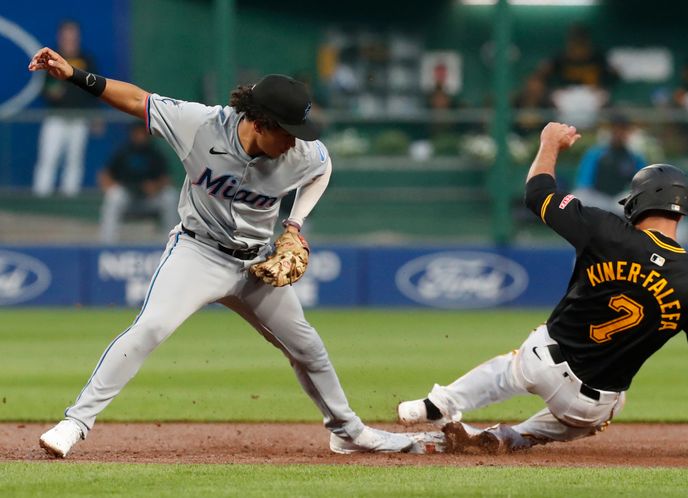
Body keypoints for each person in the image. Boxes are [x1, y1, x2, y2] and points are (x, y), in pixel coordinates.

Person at [29, 46, 413, 457]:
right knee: (152, 327)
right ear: (260, 123)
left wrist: (294, 225)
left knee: (307, 347)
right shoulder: (200, 125)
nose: (294, 142)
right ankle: (75, 423)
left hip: (257, 263)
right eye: (287, 130)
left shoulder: (301, 153)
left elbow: (323, 168)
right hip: (198, 253)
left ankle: (347, 431)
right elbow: (139, 100)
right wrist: (74, 75)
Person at [397, 122, 688, 460]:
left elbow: (537, 195)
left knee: (515, 364)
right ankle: (508, 437)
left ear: (640, 201)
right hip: (593, 407)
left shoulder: (606, 230)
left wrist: (549, 143)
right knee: (598, 412)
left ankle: (437, 405)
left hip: (545, 363)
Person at [32, 20, 97, 197]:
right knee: (48, 158)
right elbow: (44, 87)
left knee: (75, 161)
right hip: (56, 117)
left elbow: (95, 90)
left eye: (72, 34)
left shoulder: (86, 59)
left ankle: (69, 200)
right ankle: (41, 199)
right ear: (60, 36)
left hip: (79, 117)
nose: (69, 38)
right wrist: (51, 92)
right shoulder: (50, 58)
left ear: (78, 36)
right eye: (66, 34)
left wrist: (96, 116)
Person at [98, 123, 179, 243]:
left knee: (170, 196)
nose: (140, 136)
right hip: (128, 197)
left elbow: (166, 179)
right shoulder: (123, 151)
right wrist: (112, 186)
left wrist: (155, 186)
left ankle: (171, 243)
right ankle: (107, 244)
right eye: (137, 132)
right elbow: (105, 174)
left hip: (149, 199)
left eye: (143, 133)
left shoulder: (154, 153)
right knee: (114, 196)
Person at [572, 114, 645, 215]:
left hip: (619, 201)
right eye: (615, 129)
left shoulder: (634, 156)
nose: (618, 133)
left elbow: (642, 185)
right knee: (578, 198)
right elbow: (584, 184)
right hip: (598, 199)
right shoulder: (595, 153)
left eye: (622, 130)